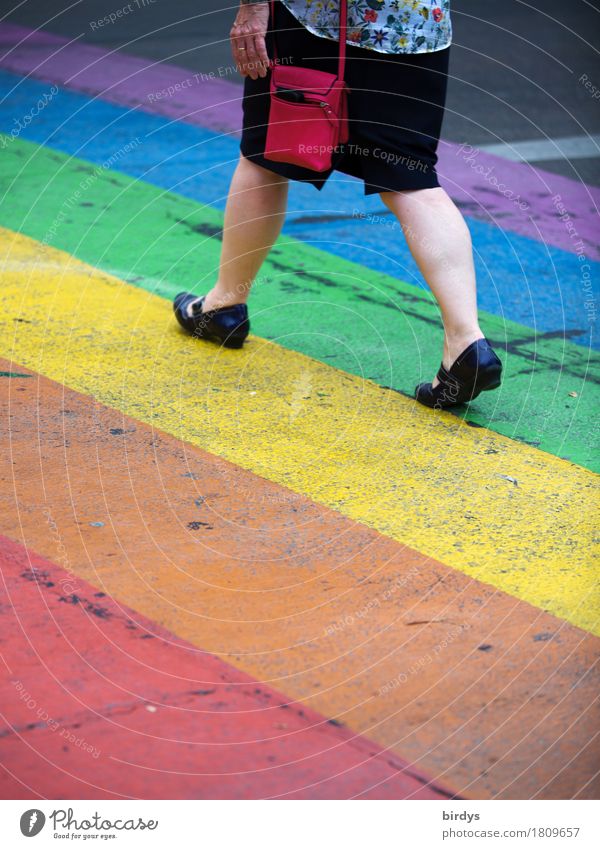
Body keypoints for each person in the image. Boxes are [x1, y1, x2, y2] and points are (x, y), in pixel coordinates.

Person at [174, 0, 502, 408]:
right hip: (415, 24)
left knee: (266, 154)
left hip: (312, 19)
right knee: (411, 178)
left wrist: (253, 7)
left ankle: (223, 305)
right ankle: (465, 341)